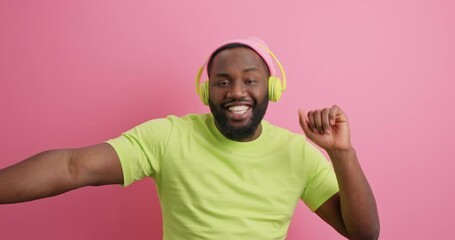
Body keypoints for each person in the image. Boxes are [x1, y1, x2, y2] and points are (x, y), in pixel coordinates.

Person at [0, 37, 379, 240]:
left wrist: (341, 154)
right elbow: (72, 166)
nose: (236, 92)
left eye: (250, 80)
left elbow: (363, 234)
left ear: (272, 88)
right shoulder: (168, 136)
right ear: (206, 91)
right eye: (223, 81)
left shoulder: (298, 153)